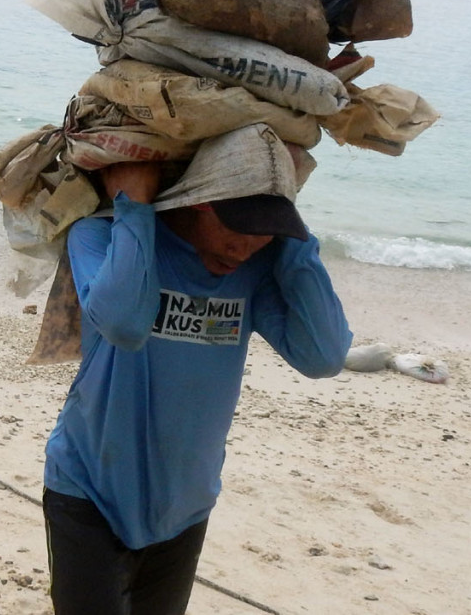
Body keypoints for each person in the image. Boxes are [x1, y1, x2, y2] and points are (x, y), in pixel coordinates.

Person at [42, 125, 351, 615]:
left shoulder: (254, 269)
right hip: (90, 492)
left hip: (184, 506)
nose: (244, 248)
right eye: (237, 227)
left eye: (262, 232)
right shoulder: (100, 236)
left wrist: (292, 241)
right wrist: (136, 209)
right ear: (199, 202)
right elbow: (124, 323)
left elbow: (323, 355)